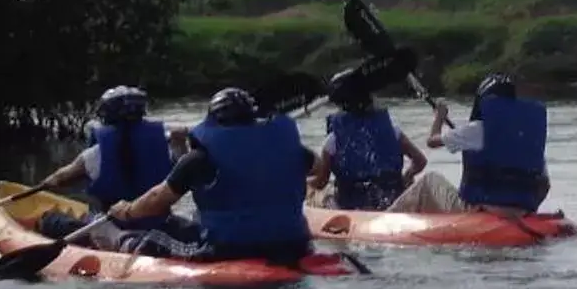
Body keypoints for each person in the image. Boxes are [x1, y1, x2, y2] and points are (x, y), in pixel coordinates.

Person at [101, 86, 314, 264]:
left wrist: (127, 211)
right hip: (296, 245)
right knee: (191, 223)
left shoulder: (199, 157)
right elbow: (320, 172)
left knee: (152, 239)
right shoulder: (289, 149)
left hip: (230, 249)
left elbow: (157, 200)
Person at [33, 86, 185, 250]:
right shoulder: (164, 147)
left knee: (49, 220)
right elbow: (183, 167)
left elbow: (60, 179)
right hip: (159, 224)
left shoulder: (96, 154)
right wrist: (180, 143)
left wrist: (43, 185)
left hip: (114, 225)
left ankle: (123, 241)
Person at [426, 72, 552, 215]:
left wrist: (439, 117)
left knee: (429, 181)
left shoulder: (477, 129)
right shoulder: (527, 141)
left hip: (482, 211)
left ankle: (395, 219)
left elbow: (432, 141)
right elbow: (545, 186)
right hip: (522, 213)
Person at [309, 67, 428, 210]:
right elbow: (420, 161)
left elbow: (322, 181)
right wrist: (407, 176)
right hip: (391, 199)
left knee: (321, 194)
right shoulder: (393, 131)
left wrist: (304, 185)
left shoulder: (332, 140)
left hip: (352, 206)